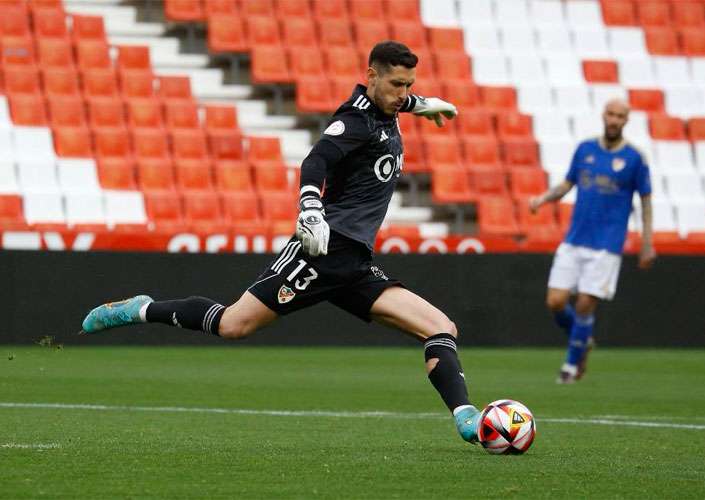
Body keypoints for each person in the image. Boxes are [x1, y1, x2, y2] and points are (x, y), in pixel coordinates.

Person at [80, 41, 483, 444]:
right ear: (371, 76)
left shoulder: (389, 106)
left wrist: (422, 103)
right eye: (397, 85)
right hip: (323, 251)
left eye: (409, 85)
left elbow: (399, 102)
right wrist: (310, 206)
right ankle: (141, 309)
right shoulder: (354, 121)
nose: (403, 94)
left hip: (356, 263)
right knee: (232, 324)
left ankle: (468, 417)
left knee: (439, 327)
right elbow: (316, 161)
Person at [529, 99, 655, 384]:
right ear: (604, 115)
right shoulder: (585, 149)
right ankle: (582, 337)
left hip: (607, 245)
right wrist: (542, 199)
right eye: (611, 114)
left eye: (620, 116)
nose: (614, 120)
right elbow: (566, 184)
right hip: (575, 239)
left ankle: (571, 368)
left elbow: (646, 201)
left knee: (586, 304)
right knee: (555, 301)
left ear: (626, 120)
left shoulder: (636, 158)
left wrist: (647, 242)